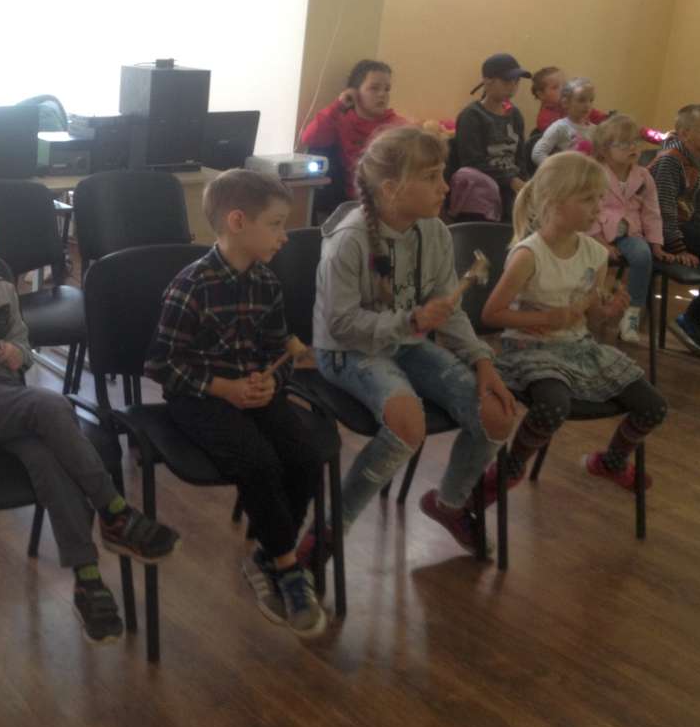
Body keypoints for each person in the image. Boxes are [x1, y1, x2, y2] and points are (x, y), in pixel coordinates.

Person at [0, 179, 180, 644]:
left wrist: (19, 355)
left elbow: (23, 345)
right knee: (51, 404)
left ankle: (87, 578)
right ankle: (114, 509)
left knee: (44, 456)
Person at [313, 126, 516, 557]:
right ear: (390, 189)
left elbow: (448, 310)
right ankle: (331, 530)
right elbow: (341, 324)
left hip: (405, 343)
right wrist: (412, 319)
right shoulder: (349, 240)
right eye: (431, 177)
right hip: (346, 351)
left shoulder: (434, 232)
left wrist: (482, 361)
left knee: (497, 415)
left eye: (442, 174)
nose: (445, 187)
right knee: (408, 424)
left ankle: (449, 504)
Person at [146, 169, 329, 638]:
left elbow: (277, 350)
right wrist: (223, 388)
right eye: (276, 224)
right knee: (259, 463)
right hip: (199, 397)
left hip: (251, 390)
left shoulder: (267, 282)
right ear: (237, 222)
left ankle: (269, 552)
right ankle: (286, 567)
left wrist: (274, 382)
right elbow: (162, 365)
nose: (284, 236)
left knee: (307, 456)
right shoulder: (191, 286)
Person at [481, 153, 666, 501]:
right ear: (554, 201)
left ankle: (611, 462)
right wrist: (545, 319)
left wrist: (608, 311)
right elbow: (492, 314)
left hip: (577, 348)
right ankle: (511, 466)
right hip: (528, 350)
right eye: (588, 199)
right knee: (554, 405)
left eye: (600, 198)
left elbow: (592, 316)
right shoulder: (529, 254)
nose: (598, 207)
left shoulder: (596, 254)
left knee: (653, 405)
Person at [588, 115, 675, 343]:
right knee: (591, 260)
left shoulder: (644, 176)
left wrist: (656, 244)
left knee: (643, 255)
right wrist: (600, 241)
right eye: (624, 144)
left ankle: (632, 315)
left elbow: (651, 211)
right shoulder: (595, 173)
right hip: (595, 233)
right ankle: (588, 312)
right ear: (604, 150)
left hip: (629, 233)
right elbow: (588, 208)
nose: (633, 148)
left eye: (635, 142)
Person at [651, 103, 700, 357]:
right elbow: (664, 212)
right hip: (661, 230)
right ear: (684, 133)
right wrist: (678, 248)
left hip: (684, 226)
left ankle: (692, 319)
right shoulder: (670, 162)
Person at [300, 59, 404, 200]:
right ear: (354, 93)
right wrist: (339, 105)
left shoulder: (396, 126)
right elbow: (310, 138)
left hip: (390, 198)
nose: (382, 94)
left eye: (387, 89)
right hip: (353, 200)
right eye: (374, 88)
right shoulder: (342, 121)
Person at [454, 53, 533, 219]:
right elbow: (472, 162)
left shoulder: (515, 114)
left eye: (516, 82)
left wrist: (524, 183)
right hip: (483, 188)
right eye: (506, 81)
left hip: (513, 185)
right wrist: (510, 181)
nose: (512, 87)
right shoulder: (471, 116)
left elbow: (520, 158)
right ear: (487, 81)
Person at [532, 77, 598, 165]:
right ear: (565, 103)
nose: (587, 105)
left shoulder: (595, 130)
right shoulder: (559, 127)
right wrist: (557, 169)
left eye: (591, 100)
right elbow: (537, 154)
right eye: (581, 100)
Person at [533, 66, 608, 133]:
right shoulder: (544, 119)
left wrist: (608, 120)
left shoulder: (574, 104)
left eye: (565, 84)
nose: (563, 89)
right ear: (541, 95)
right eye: (555, 87)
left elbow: (597, 116)